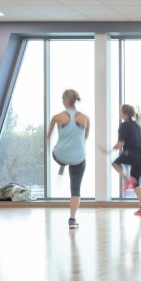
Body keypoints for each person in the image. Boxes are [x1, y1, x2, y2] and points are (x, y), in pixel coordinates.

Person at [47, 89, 89, 229]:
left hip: (60, 155)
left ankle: (63, 164)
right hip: (78, 157)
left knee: (57, 151)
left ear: (65, 100)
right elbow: (85, 138)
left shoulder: (56, 117)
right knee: (75, 190)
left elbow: (48, 137)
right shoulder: (85, 118)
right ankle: (72, 220)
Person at [112, 104, 141, 216]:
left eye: (120, 111)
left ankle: (126, 179)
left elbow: (120, 144)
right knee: (136, 182)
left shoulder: (124, 126)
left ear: (125, 113)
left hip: (133, 155)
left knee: (115, 163)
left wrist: (113, 148)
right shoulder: (136, 125)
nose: (119, 113)